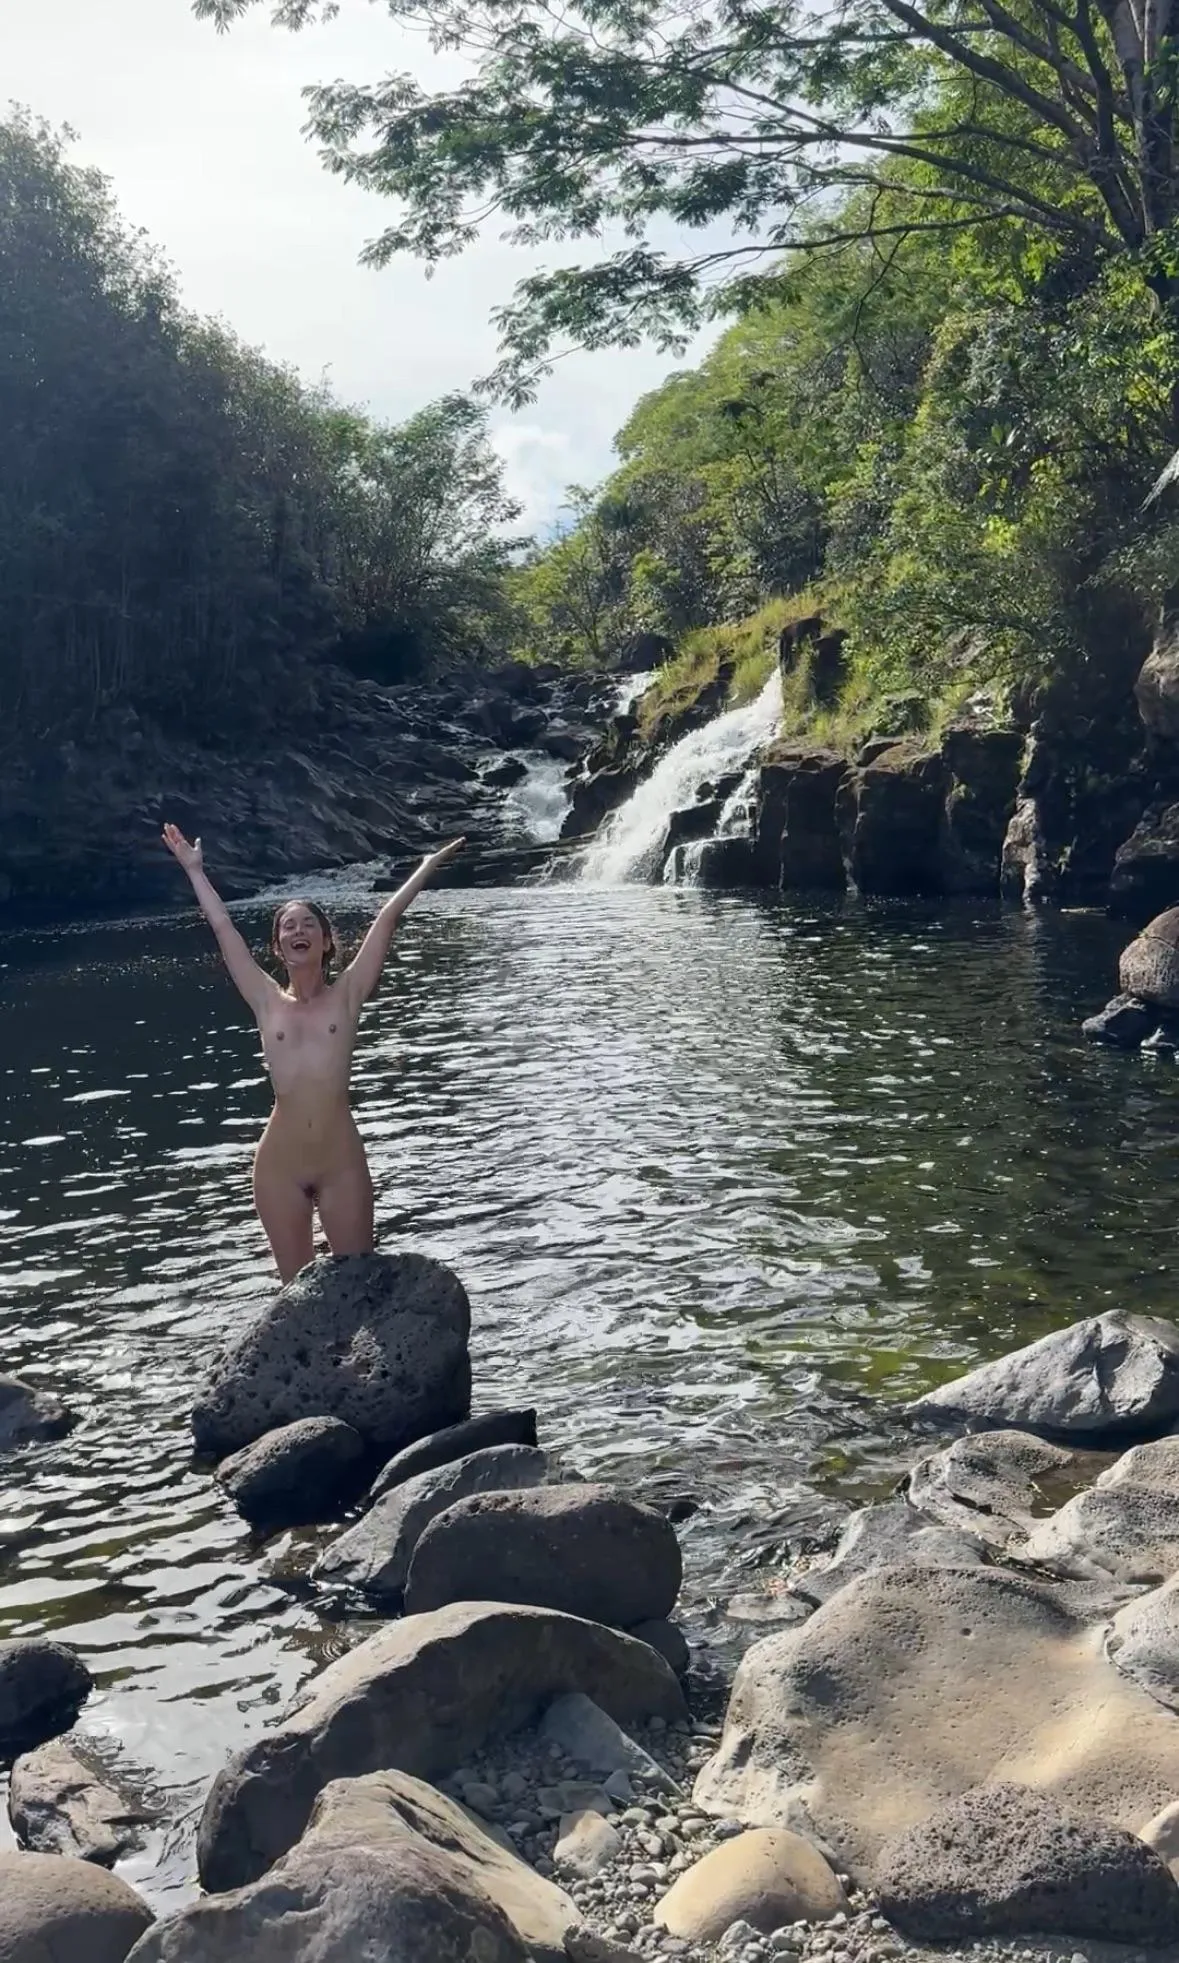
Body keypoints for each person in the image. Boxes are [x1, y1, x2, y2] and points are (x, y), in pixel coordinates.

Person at [162, 824, 464, 1283]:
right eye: (288, 926)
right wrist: (194, 870)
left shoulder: (347, 996)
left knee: (358, 1287)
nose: (298, 930)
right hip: (279, 1168)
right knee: (295, 1296)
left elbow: (386, 918)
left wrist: (424, 868)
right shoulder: (265, 1000)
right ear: (278, 947)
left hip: (340, 1162)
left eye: (309, 925)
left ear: (326, 942)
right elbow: (223, 928)